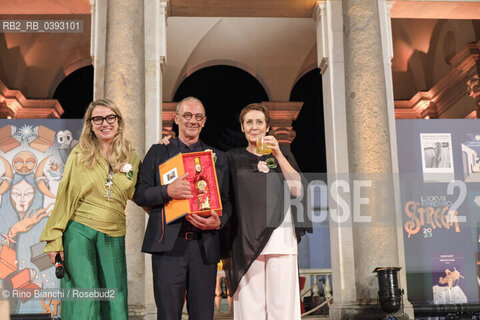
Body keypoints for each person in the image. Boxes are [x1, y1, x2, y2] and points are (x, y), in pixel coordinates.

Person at [39, 99, 140, 320]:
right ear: (90, 124)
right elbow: (65, 197)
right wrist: (54, 238)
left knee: (115, 297)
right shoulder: (79, 154)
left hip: (114, 233)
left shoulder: (131, 156)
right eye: (98, 119)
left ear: (118, 121)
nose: (105, 123)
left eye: (110, 117)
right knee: (86, 293)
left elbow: (139, 193)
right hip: (79, 230)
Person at [134, 96, 232, 320]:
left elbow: (227, 202)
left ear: (205, 121)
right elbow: (140, 194)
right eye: (187, 115)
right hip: (169, 247)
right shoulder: (159, 152)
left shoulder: (218, 158)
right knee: (168, 314)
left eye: (198, 117)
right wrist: (167, 191)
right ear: (176, 118)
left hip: (204, 246)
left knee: (203, 314)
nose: (192, 121)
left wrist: (220, 220)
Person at [223, 102, 311, 320]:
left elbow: (297, 189)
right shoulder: (231, 158)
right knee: (250, 308)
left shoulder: (281, 155)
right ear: (242, 127)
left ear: (268, 127)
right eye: (249, 122)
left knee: (282, 308)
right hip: (245, 238)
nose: (254, 126)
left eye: (259, 122)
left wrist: (279, 154)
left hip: (280, 237)